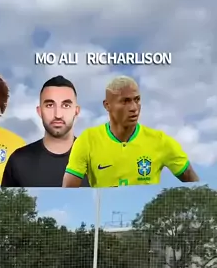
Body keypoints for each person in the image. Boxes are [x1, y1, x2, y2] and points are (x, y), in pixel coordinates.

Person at [63, 75, 199, 187]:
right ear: (107, 105)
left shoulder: (161, 141)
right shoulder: (88, 140)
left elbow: (195, 184)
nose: (134, 108)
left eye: (137, 100)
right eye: (125, 101)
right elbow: (68, 191)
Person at [1, 76, 88, 187]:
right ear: (39, 111)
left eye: (66, 105)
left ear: (76, 111)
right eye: (50, 105)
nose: (58, 115)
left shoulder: (96, 160)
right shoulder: (18, 160)